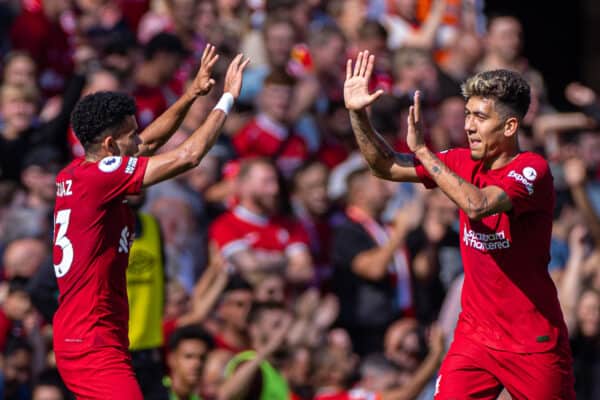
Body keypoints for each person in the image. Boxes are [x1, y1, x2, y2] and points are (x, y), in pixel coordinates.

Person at [343, 50, 575, 399]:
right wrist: (358, 114)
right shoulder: (459, 161)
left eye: (479, 117)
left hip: (532, 340)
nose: (468, 126)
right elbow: (384, 166)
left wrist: (422, 152)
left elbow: (477, 205)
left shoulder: (532, 169)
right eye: (467, 115)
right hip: (475, 337)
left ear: (510, 126)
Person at [51, 45, 249, 399]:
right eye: (131, 134)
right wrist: (227, 99)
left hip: (89, 337)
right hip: (92, 344)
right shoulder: (100, 179)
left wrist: (192, 94)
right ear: (111, 145)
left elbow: (150, 142)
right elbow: (188, 156)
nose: (140, 140)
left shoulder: (81, 172)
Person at [163, 325, 214, 400]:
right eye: (189, 356)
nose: (197, 363)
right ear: (171, 359)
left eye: (202, 358)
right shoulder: (151, 393)